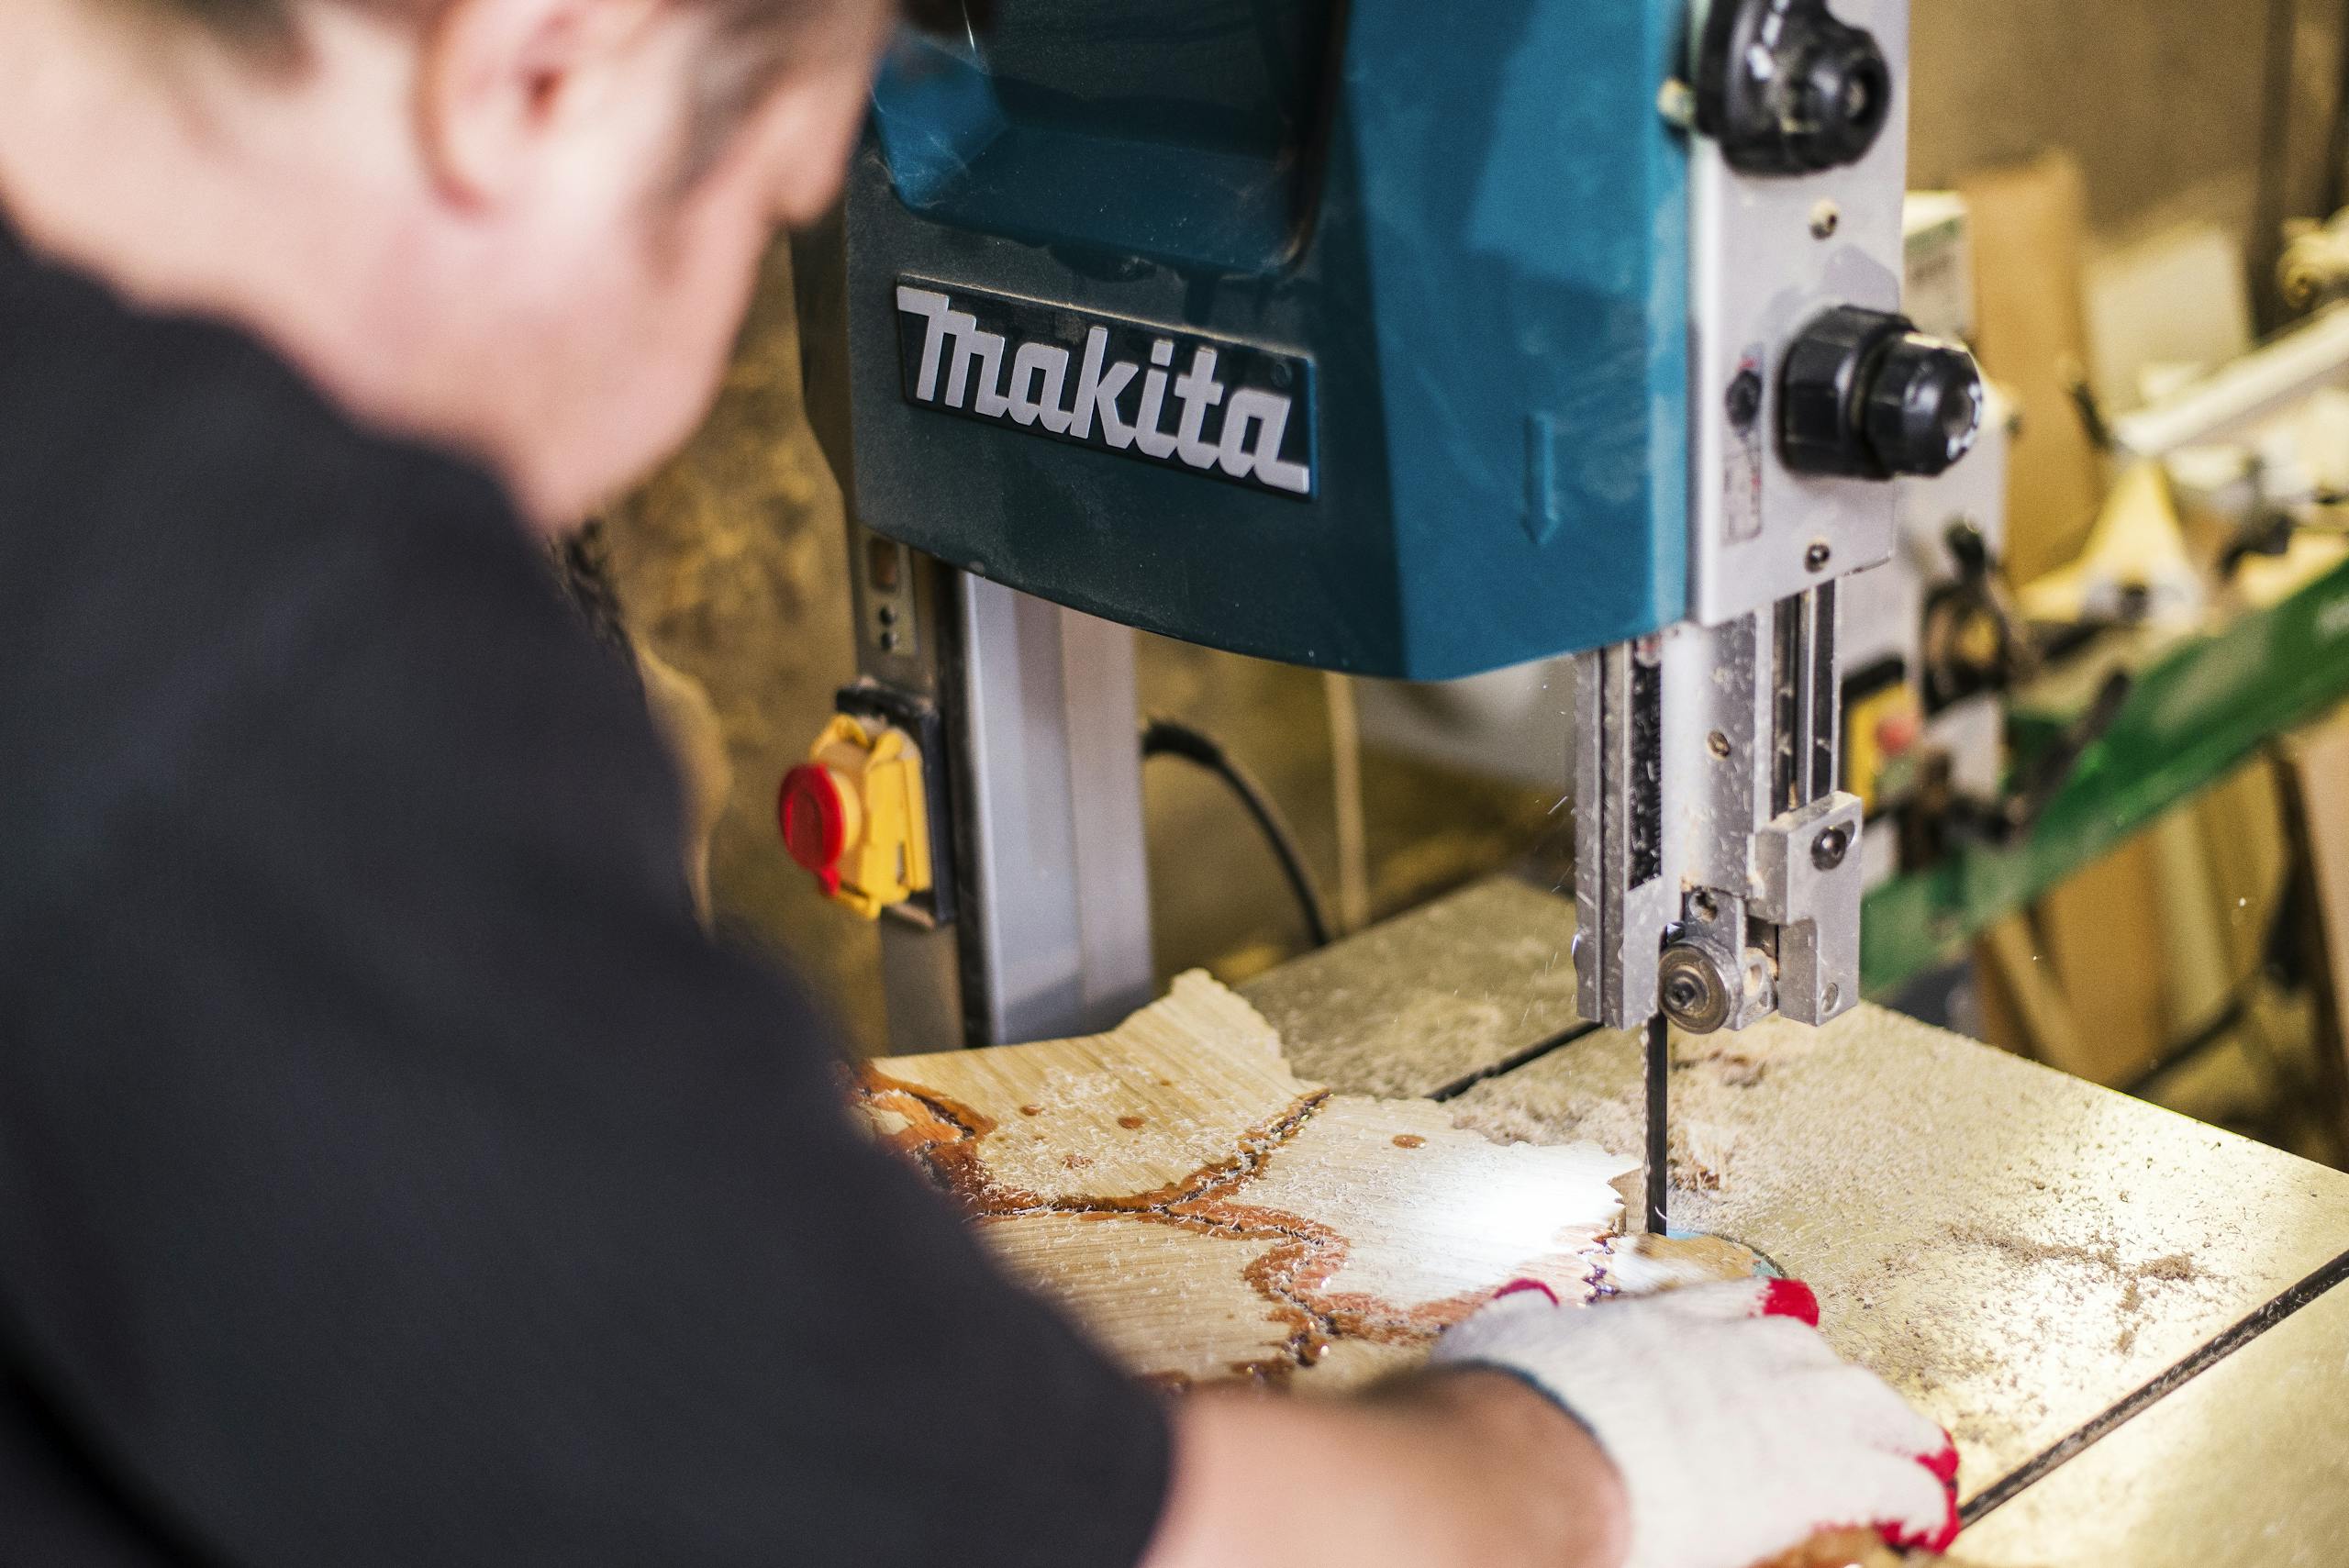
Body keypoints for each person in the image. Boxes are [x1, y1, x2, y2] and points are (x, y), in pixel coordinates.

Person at [0, 2, 1964, 1566]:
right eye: (769, 196)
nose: (691, 374)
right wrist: (1571, 1459)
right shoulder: (256, 675)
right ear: (541, 58)